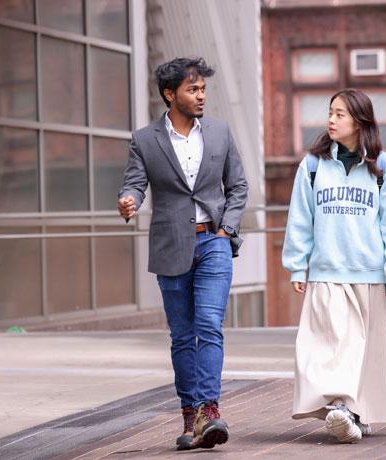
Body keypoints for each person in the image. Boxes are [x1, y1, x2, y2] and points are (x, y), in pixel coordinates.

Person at [118, 57, 248, 451]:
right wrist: (129, 200)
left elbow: (238, 186)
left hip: (213, 242)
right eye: (193, 90)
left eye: (203, 89)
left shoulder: (221, 133)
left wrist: (226, 231)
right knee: (182, 335)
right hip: (171, 246)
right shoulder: (144, 140)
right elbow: (135, 184)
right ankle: (190, 415)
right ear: (170, 94)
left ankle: (210, 409)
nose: (201, 96)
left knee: (209, 325)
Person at [282, 88, 386, 444]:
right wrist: (297, 266)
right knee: (324, 347)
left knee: (364, 353)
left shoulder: (383, 167)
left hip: (369, 274)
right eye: (330, 112)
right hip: (326, 272)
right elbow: (301, 219)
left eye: (340, 114)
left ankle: (353, 413)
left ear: (359, 121)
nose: (331, 120)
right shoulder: (312, 165)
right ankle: (340, 407)